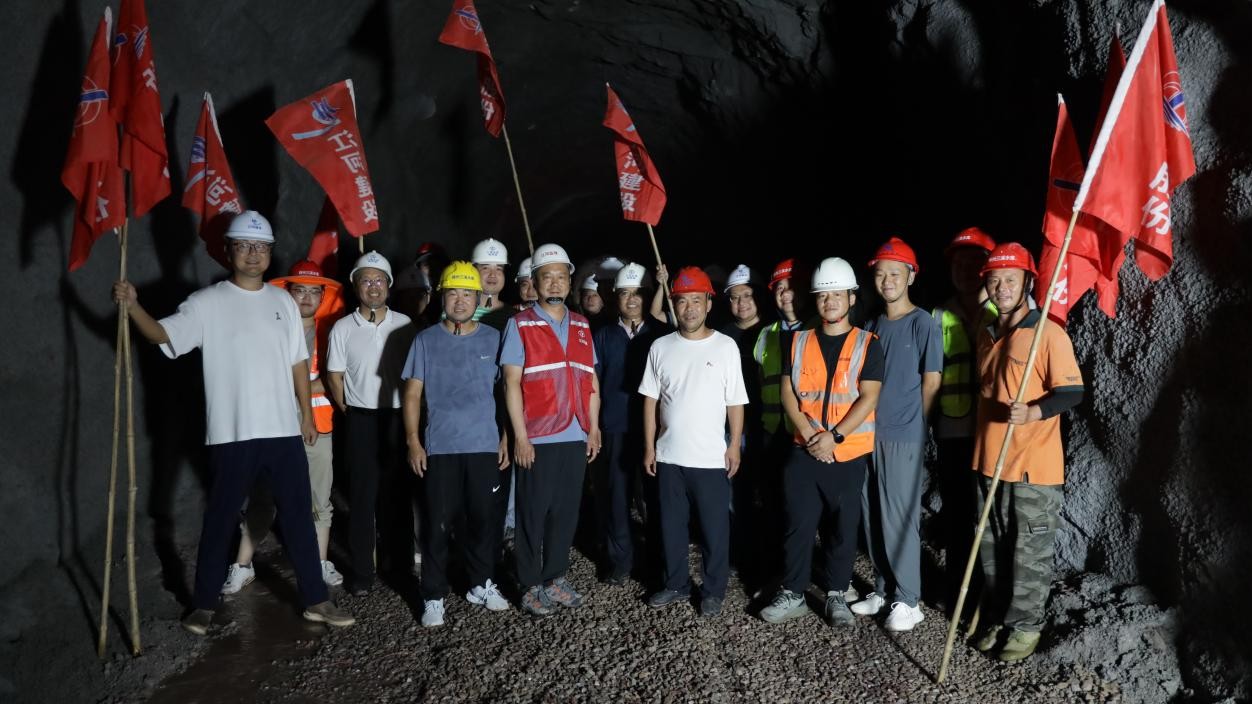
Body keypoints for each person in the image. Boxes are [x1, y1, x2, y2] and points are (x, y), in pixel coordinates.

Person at [112, 210, 354, 634]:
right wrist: (133, 307)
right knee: (221, 517)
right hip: (232, 433)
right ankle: (204, 605)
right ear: (228, 251)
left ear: (270, 253)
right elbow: (162, 335)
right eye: (244, 245)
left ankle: (316, 600)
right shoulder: (206, 303)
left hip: (283, 432)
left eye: (261, 247)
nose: (253, 254)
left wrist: (304, 414)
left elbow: (298, 362)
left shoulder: (282, 301)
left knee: (299, 516)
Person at [971, 243, 1083, 662]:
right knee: (991, 548)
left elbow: (1072, 391)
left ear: (1028, 284)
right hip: (988, 461)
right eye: (994, 280)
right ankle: (998, 616)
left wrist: (1034, 410)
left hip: (1032, 466)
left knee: (1027, 553)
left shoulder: (1047, 334)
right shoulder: (986, 333)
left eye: (1010, 280)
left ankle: (1025, 626)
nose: (1001, 288)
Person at [760, 258, 883, 626]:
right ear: (815, 299)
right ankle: (793, 592)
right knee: (798, 523)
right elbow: (787, 393)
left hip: (848, 452)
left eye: (837, 295)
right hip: (804, 448)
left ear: (851, 298)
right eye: (823, 295)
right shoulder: (796, 341)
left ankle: (836, 593)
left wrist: (835, 437)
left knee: (843, 527)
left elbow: (869, 397)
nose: (830, 302)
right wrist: (813, 436)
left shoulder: (867, 344)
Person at [221, 260, 347, 595]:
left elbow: (336, 379)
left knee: (319, 498)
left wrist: (297, 387)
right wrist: (306, 385)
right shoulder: (269, 330)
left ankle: (319, 562)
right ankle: (242, 565)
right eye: (299, 290)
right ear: (287, 293)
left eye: (314, 292)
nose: (306, 297)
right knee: (264, 497)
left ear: (322, 297)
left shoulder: (332, 333)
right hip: (273, 426)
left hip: (319, 426)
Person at [402, 262, 511, 627]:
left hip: (483, 444)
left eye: (467, 294)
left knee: (483, 519)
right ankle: (433, 595)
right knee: (436, 523)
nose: (460, 301)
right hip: (441, 446)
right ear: (442, 297)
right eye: (453, 293)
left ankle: (481, 582)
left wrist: (506, 435)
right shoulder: (425, 340)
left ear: (478, 299)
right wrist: (413, 441)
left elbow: (505, 391)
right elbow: (412, 394)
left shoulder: (493, 339)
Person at [501, 243, 603, 617]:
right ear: (535, 282)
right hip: (538, 436)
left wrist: (593, 428)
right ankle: (529, 584)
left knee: (565, 513)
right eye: (548, 276)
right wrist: (520, 437)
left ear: (569, 281)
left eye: (561, 276)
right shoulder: (520, 325)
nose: (555, 282)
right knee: (531, 513)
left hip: (575, 433)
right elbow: (511, 383)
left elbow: (590, 380)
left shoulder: (581, 325)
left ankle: (554, 577)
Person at [641, 266, 748, 618]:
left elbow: (735, 401)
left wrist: (734, 445)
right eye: (682, 301)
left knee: (714, 529)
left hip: (711, 457)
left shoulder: (726, 346)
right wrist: (649, 447)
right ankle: (675, 584)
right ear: (674, 305)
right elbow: (650, 400)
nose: (689, 308)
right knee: (670, 526)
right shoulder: (660, 346)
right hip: (669, 455)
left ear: (708, 304)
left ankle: (713, 590)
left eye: (696, 301)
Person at [851, 237, 942, 632]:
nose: (887, 280)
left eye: (895, 273)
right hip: (868, 432)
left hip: (903, 433)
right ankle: (884, 588)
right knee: (871, 512)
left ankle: (909, 599)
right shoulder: (871, 325)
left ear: (911, 276)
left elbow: (932, 380)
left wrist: (919, 427)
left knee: (899, 516)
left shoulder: (923, 323)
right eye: (880, 273)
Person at [327, 251, 416, 595]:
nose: (373, 286)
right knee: (362, 496)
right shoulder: (342, 327)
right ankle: (363, 571)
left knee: (398, 494)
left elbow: (415, 376)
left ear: (389, 285)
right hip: (361, 418)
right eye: (366, 280)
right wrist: (349, 409)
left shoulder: (405, 325)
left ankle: (400, 566)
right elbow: (335, 375)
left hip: (397, 417)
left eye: (379, 280)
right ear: (355, 286)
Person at [930, 227, 997, 610]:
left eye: (975, 262)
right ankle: (958, 590)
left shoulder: (1007, 310)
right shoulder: (938, 315)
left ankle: (993, 593)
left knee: (994, 515)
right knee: (957, 513)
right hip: (953, 431)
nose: (966, 270)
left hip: (996, 431)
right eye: (959, 263)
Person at [591, 263, 669, 586]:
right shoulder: (603, 335)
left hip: (655, 429)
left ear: (648, 296)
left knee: (656, 497)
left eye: (639, 293)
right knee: (617, 497)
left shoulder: (663, 334)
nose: (632, 299)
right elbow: (593, 383)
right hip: (615, 427)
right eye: (625, 293)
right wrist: (594, 426)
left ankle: (658, 561)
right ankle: (620, 561)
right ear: (616, 297)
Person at [719, 264, 766, 578]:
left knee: (768, 492)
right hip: (732, 427)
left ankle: (769, 554)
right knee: (735, 492)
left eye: (747, 295)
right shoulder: (722, 336)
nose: (742, 303)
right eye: (735, 297)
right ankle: (742, 552)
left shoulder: (773, 331)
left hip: (768, 424)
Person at [471, 237, 513, 330]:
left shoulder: (514, 316)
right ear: (473, 271)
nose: (493, 274)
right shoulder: (457, 312)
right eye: (485, 268)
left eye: (499, 269)